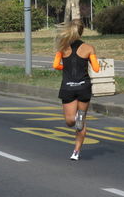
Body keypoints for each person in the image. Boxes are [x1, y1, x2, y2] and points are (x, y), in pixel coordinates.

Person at [53, 19, 100, 161]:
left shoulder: (62, 47)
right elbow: (96, 69)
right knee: (81, 121)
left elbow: (56, 65)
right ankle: (76, 150)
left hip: (68, 87)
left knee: (69, 122)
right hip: (84, 87)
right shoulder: (89, 48)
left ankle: (76, 149)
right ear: (82, 31)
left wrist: (64, 67)